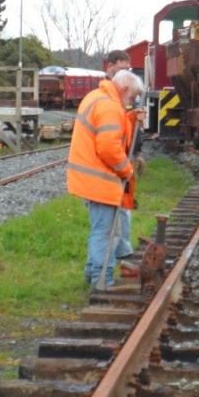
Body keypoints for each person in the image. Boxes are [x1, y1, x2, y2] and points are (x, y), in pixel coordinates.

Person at [67, 69, 144, 289]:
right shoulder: (109, 106)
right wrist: (127, 171)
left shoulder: (97, 97)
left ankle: (92, 274)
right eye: (131, 98)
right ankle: (103, 281)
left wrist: (130, 117)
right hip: (100, 179)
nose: (130, 102)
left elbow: (111, 127)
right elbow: (109, 147)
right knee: (104, 233)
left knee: (99, 230)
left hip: (90, 177)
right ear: (125, 89)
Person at [103, 50, 144, 264]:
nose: (124, 73)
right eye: (120, 69)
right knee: (113, 210)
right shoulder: (106, 97)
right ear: (109, 67)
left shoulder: (124, 97)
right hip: (112, 163)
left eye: (127, 70)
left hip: (123, 157)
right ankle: (116, 253)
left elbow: (128, 128)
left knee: (124, 206)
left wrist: (137, 152)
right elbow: (109, 138)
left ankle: (123, 247)